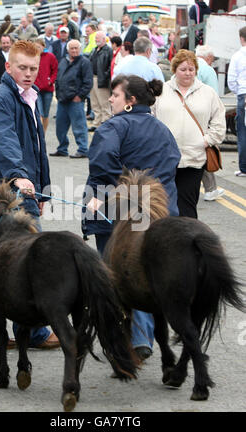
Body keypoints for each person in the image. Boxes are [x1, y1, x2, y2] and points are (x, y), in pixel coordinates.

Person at [82, 74, 181, 361]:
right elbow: (171, 167)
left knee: (116, 278)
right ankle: (144, 338)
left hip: (117, 217)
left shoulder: (113, 126)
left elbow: (101, 161)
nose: (110, 99)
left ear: (130, 101)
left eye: (115, 95)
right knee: (148, 277)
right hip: (159, 218)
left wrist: (121, 191)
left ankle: (126, 340)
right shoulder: (163, 130)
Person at [0, 40, 59, 351]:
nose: (28, 73)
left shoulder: (28, 96)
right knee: (17, 264)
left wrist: (43, 189)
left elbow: (37, 149)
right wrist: (20, 176)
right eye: (22, 67)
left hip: (19, 191)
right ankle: (31, 333)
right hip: (3, 195)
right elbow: (4, 142)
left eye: (33, 68)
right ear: (7, 66)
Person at [152, 49, 226, 218]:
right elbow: (150, 118)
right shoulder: (161, 91)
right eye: (183, 69)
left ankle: (187, 242)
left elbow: (219, 123)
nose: (187, 73)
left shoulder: (208, 93)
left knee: (187, 207)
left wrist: (206, 141)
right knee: (163, 207)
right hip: (165, 159)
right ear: (174, 69)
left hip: (194, 159)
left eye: (191, 69)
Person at [50, 39, 93, 158]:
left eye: (76, 48)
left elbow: (88, 82)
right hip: (62, 100)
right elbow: (58, 79)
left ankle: (83, 149)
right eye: (72, 48)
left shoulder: (84, 62)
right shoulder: (63, 61)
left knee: (79, 127)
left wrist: (80, 96)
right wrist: (58, 94)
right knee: (60, 127)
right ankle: (62, 148)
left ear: (80, 49)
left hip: (76, 101)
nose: (74, 50)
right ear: (68, 50)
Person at [196, 44, 225, 201]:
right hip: (203, 117)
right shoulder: (207, 70)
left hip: (188, 116)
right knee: (205, 151)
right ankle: (210, 189)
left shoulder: (187, 67)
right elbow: (215, 96)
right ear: (208, 57)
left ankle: (211, 188)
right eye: (212, 59)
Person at [228, 26, 246, 177]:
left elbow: (232, 81)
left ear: (241, 38)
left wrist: (239, 92)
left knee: (243, 132)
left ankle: (244, 167)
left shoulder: (237, 56)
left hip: (244, 95)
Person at [88, 31, 113, 132]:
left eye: (98, 38)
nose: (96, 40)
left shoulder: (108, 50)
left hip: (102, 79)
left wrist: (105, 76)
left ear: (104, 39)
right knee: (95, 103)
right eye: (96, 38)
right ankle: (96, 123)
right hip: (92, 78)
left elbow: (110, 66)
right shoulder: (94, 50)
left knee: (104, 103)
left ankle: (105, 123)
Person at [34, 38, 58, 133]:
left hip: (48, 89)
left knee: (46, 114)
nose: (37, 49)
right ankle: (39, 133)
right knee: (39, 113)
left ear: (43, 47)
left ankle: (43, 133)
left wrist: (51, 80)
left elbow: (55, 70)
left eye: (39, 47)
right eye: (35, 47)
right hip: (36, 89)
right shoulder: (33, 56)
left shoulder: (50, 56)